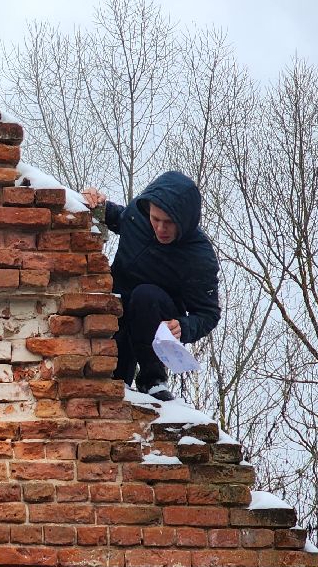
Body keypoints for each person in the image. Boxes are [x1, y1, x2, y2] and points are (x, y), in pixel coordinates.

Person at [80, 171, 220, 402]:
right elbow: (120, 218)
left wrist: (184, 326)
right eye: (156, 219)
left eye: (169, 223)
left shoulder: (199, 257)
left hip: (154, 317)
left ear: (184, 221)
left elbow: (208, 314)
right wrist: (97, 204)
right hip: (116, 308)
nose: (161, 229)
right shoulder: (137, 216)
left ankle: (153, 382)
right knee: (111, 383)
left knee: (145, 296)